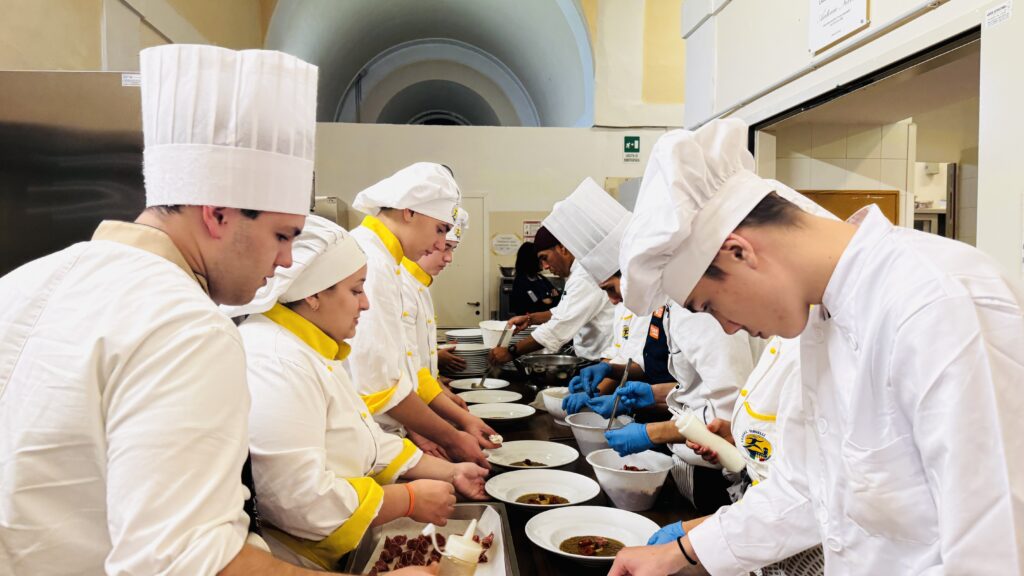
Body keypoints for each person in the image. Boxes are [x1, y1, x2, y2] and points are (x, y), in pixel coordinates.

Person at [0, 44, 432, 576]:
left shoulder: (23, 281)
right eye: (281, 235)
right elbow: (188, 563)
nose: (285, 262)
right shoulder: (184, 325)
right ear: (218, 214)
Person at [609, 119, 1024, 575]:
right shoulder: (824, 319)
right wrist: (682, 553)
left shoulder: (941, 305)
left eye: (709, 306)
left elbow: (993, 550)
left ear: (738, 251)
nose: (727, 329)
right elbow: (806, 489)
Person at [227, 216, 487, 570]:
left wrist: (447, 472)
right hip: (299, 557)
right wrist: (406, 499)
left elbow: (364, 440)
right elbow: (300, 499)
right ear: (315, 294)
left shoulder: (312, 347)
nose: (365, 304)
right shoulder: (276, 359)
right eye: (356, 290)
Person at [347, 163, 497, 470]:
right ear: (408, 212)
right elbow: (378, 384)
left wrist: (456, 421)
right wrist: (451, 436)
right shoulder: (372, 264)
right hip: (368, 437)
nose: (441, 245)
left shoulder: (386, 263)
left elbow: (407, 369)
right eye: (440, 229)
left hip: (383, 435)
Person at [401, 208, 491, 456]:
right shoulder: (399, 286)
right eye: (445, 246)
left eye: (452, 248)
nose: (449, 258)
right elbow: (388, 374)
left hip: (415, 414)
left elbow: (413, 361)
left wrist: (439, 389)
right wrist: (421, 426)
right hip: (396, 423)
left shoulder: (421, 286)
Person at [489, 223, 615, 364]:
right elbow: (562, 311)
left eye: (545, 258)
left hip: (604, 361)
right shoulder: (576, 274)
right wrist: (531, 319)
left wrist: (511, 352)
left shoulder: (584, 277)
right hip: (594, 357)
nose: (545, 267)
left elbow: (559, 326)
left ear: (562, 248)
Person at [509, 241, 560, 315]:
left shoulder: (540, 278)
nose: (543, 262)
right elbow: (535, 305)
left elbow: (557, 296)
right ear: (531, 260)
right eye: (540, 258)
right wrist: (549, 300)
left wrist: (550, 300)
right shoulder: (521, 282)